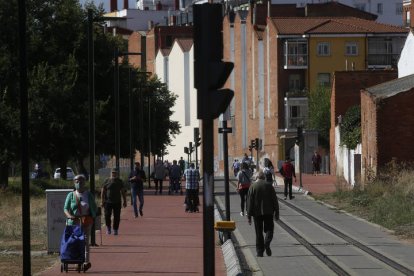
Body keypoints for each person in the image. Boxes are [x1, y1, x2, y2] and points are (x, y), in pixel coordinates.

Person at [64, 174, 97, 271]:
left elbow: (94, 207)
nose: (79, 183)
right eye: (76, 181)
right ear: (74, 183)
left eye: (81, 181)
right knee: (75, 242)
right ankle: (77, 262)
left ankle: (86, 262)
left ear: (84, 183)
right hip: (74, 222)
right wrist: (69, 216)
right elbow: (65, 208)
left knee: (86, 242)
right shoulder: (71, 195)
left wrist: (93, 215)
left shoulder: (88, 195)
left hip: (86, 220)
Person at [246, 170, 279, 257]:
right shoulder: (269, 186)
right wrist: (277, 213)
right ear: (264, 177)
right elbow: (275, 200)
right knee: (269, 229)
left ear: (256, 178)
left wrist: (249, 216)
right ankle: (267, 243)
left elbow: (249, 202)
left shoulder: (252, 187)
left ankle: (259, 252)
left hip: (257, 213)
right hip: (269, 212)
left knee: (258, 232)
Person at [101, 169, 127, 235]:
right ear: (110, 173)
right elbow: (103, 191)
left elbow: (123, 191)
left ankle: (115, 229)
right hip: (108, 202)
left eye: (115, 173)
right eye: (112, 173)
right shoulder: (106, 180)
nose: (114, 174)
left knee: (117, 216)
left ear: (117, 174)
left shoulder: (120, 181)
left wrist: (125, 201)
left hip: (117, 202)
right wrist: (102, 200)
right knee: (107, 215)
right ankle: (108, 228)